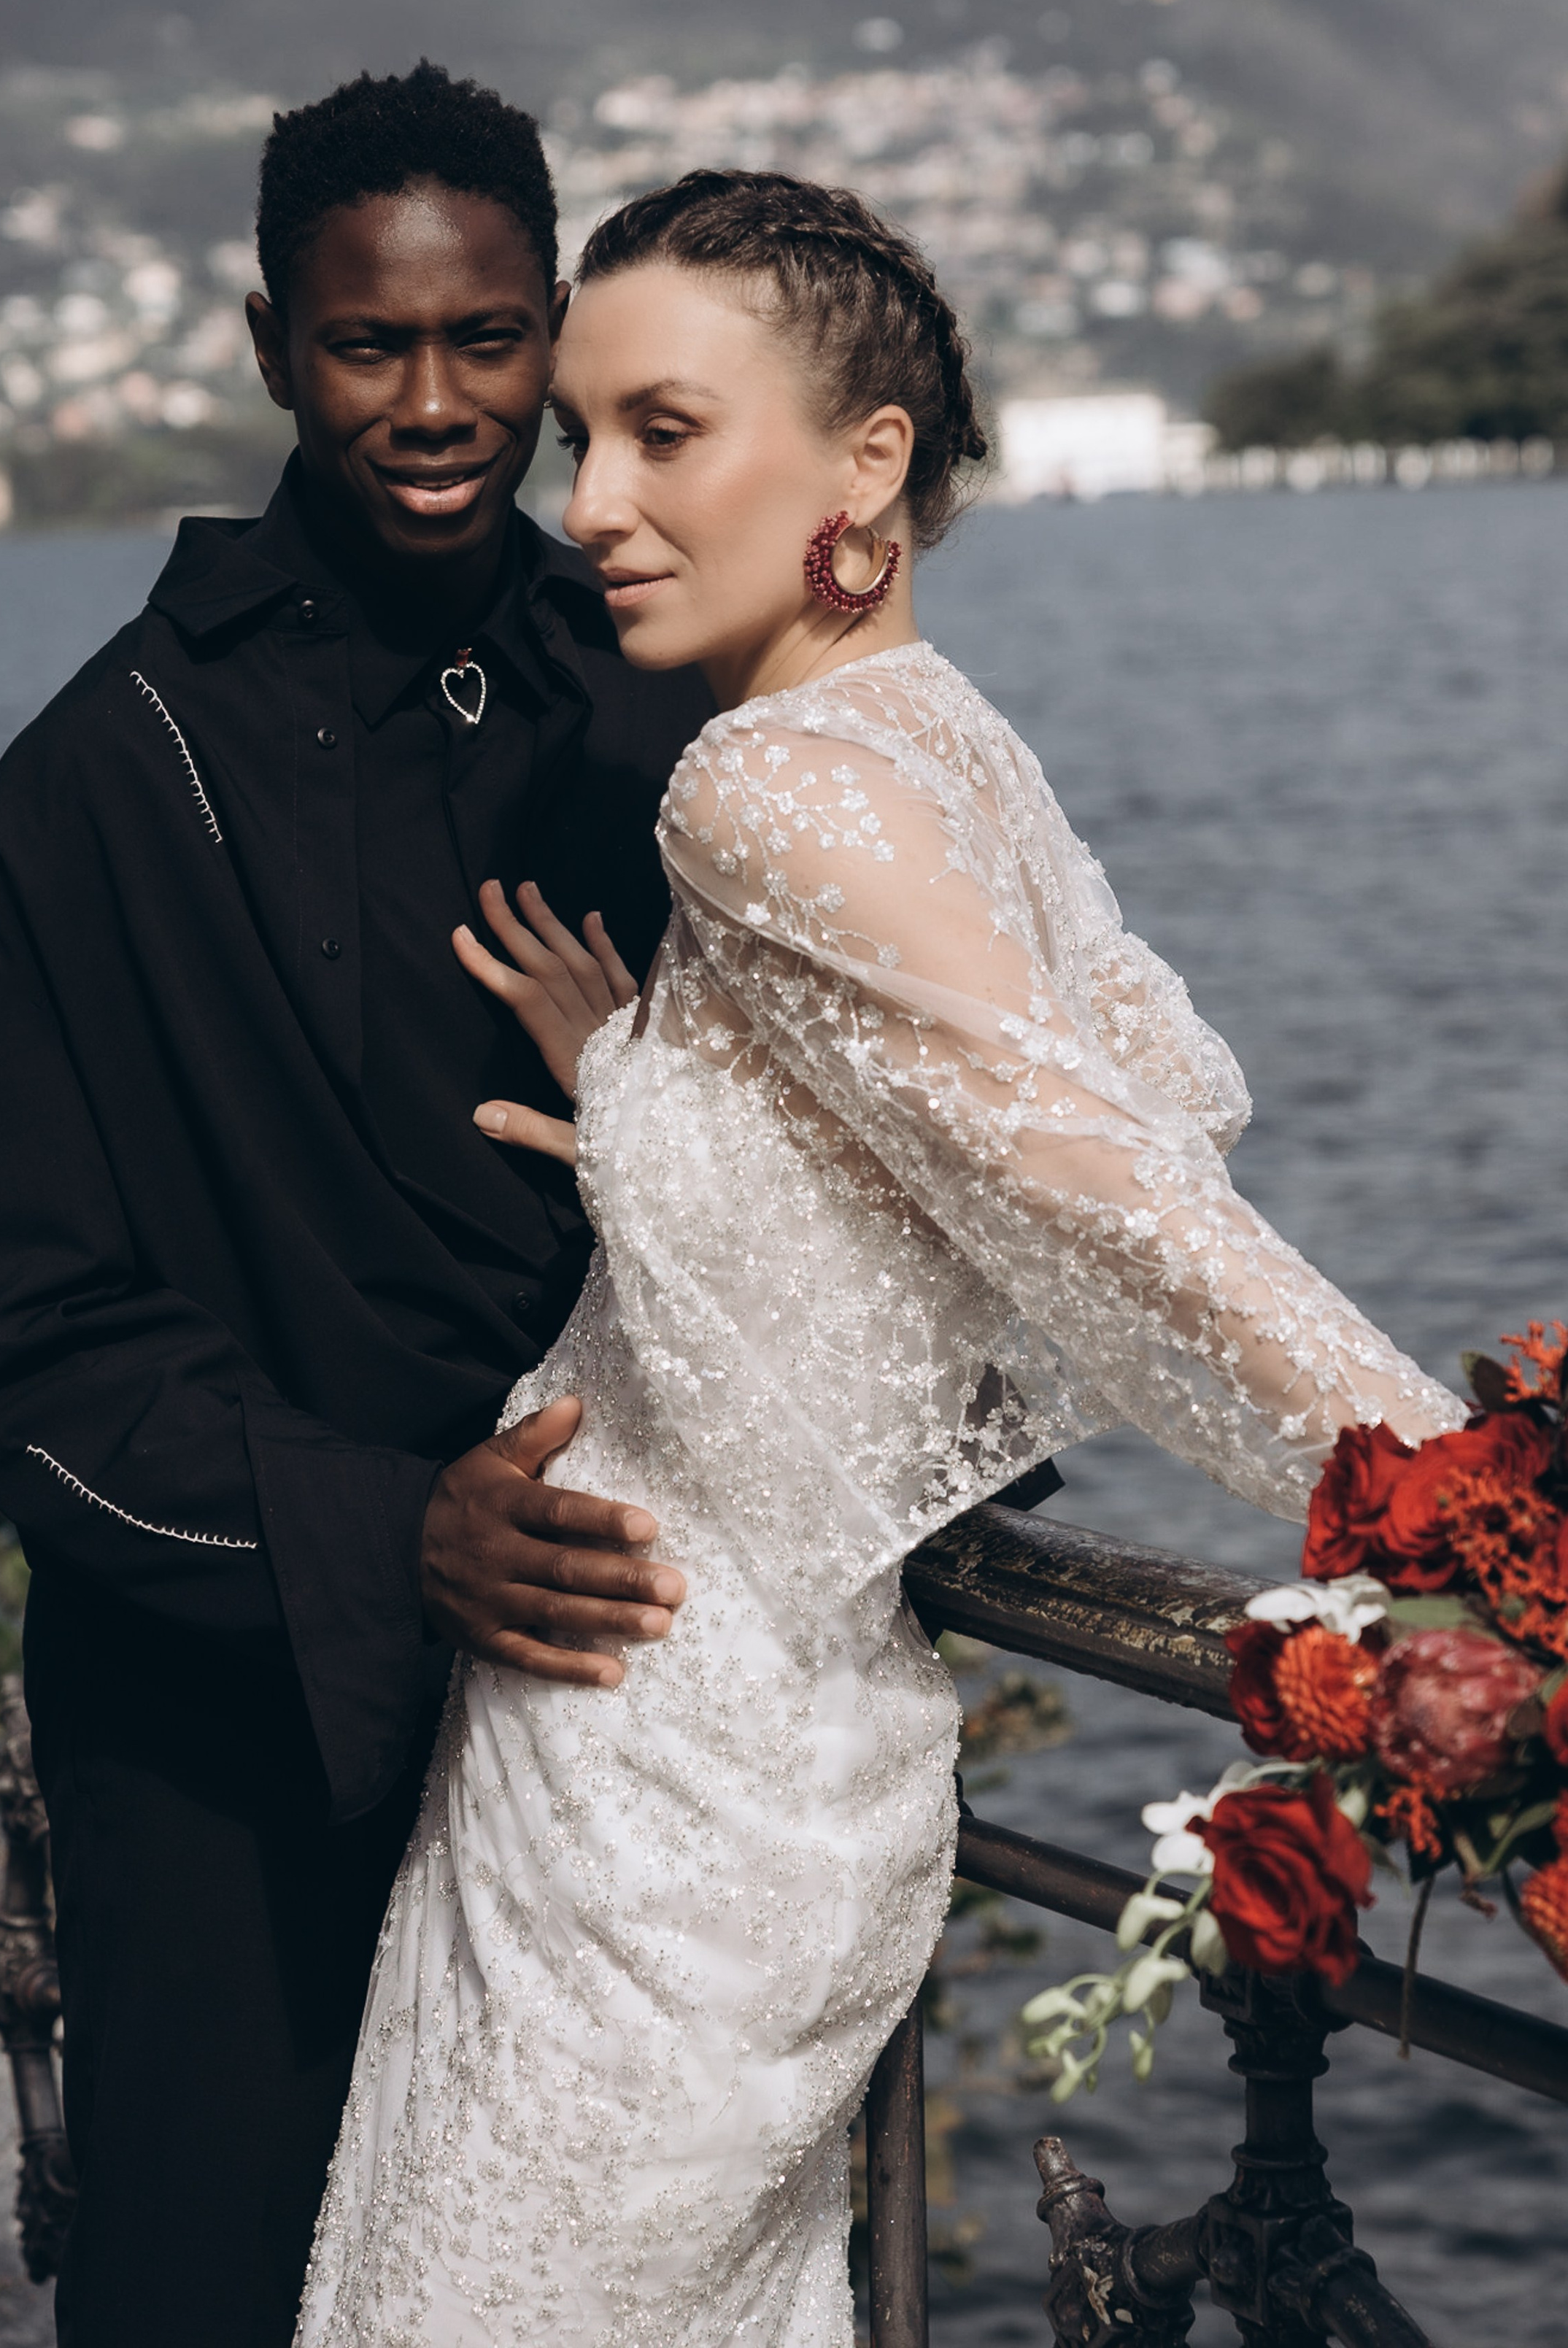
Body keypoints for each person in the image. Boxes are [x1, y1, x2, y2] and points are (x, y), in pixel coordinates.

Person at [296, 169, 1467, 2346]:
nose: (598, 505)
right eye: (588, 444)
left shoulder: (750, 791)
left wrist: (1463, 1502)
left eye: (667, 431)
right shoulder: (957, 751)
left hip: (656, 1731)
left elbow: (1107, 1193)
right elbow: (1104, 1118)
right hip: (777, 1729)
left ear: (869, 464)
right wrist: (659, 1078)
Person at [0, 63, 709, 2348]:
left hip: (608, 1717)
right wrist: (386, 1533)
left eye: (487, 341)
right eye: (373, 344)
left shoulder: (662, 712)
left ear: (554, 336)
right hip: (228, 1741)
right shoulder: (87, 794)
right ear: (275, 350)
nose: (434, 404)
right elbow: (4, 1343)